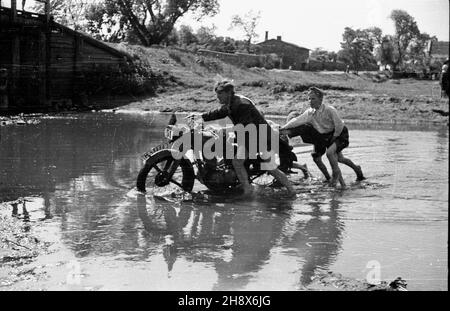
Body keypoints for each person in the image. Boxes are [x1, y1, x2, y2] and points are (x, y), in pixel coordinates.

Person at [198, 80, 295, 197]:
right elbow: (218, 112)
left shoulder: (241, 104)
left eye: (220, 93)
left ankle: (249, 190)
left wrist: (229, 133)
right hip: (254, 135)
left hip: (259, 136)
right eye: (216, 93)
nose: (217, 96)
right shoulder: (231, 103)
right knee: (267, 167)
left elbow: (247, 126)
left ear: (228, 93)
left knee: (243, 163)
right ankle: (290, 191)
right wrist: (201, 117)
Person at [280, 87, 364, 188]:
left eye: (313, 99)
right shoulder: (310, 112)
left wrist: (334, 137)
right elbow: (296, 121)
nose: (310, 101)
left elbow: (339, 126)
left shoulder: (329, 110)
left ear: (320, 99)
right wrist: (283, 128)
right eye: (309, 99)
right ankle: (347, 179)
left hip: (339, 133)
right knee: (339, 159)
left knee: (330, 153)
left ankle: (335, 177)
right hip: (326, 135)